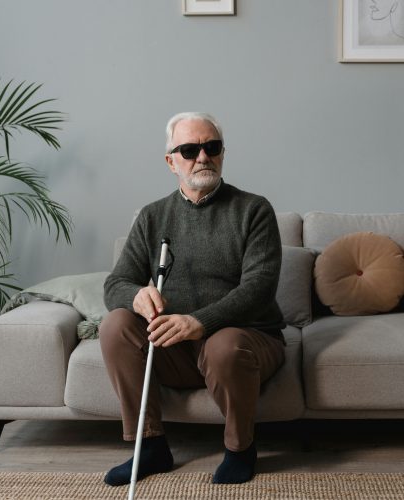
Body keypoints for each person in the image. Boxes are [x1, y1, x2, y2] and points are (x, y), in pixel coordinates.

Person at [99, 112, 286, 486]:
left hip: (245, 341)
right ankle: (149, 447)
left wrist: (198, 322)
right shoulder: (153, 216)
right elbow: (115, 283)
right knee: (115, 325)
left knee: (223, 345)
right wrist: (137, 296)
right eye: (189, 149)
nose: (203, 157)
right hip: (177, 347)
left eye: (211, 147)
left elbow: (259, 288)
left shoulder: (253, 209)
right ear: (171, 162)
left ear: (222, 153)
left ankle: (239, 449)